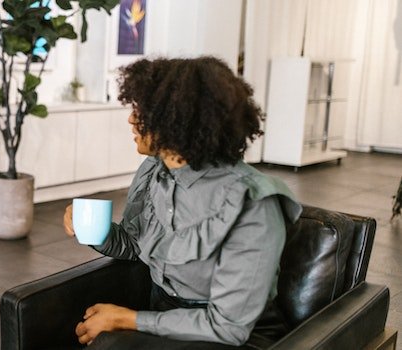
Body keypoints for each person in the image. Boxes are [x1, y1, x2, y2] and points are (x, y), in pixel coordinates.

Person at [62, 57, 302, 349]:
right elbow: (133, 244)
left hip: (234, 337)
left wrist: (127, 319)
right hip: (165, 318)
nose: (131, 118)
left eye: (144, 110)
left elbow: (229, 328)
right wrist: (92, 229)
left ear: (178, 119)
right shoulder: (155, 170)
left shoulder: (252, 203)